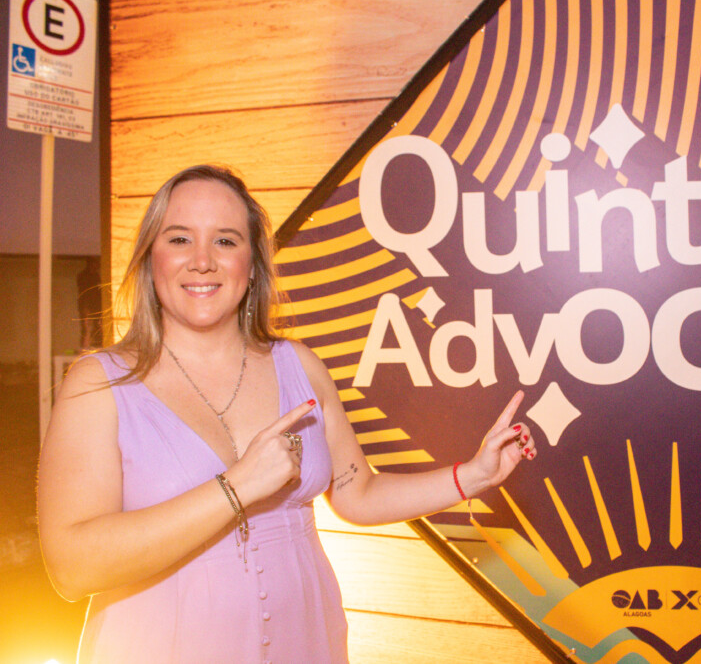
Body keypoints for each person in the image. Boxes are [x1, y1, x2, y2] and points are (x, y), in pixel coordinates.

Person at [36, 164, 536, 663]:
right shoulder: (99, 383)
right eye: (180, 239)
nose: (203, 261)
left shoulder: (300, 365)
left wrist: (472, 476)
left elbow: (358, 493)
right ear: (150, 258)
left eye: (226, 241)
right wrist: (235, 488)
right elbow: (72, 569)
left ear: (253, 264)